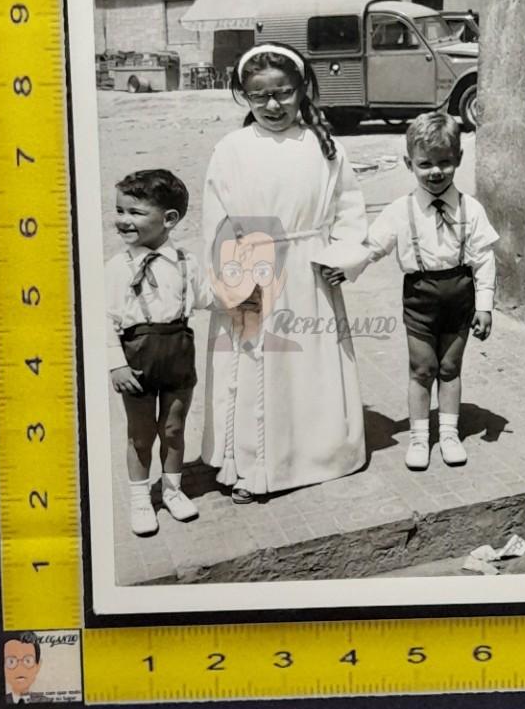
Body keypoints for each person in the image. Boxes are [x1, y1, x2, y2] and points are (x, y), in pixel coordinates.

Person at [201, 42, 368, 503]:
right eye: (260, 96)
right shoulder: (231, 149)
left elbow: (349, 207)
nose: (273, 105)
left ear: (302, 89)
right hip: (253, 271)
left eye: (283, 93)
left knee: (309, 367)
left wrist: (343, 257)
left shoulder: (324, 146)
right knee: (259, 364)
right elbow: (216, 218)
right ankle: (251, 465)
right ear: (244, 96)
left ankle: (319, 456)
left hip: (309, 273)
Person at [339, 113, 498, 470]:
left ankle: (449, 435)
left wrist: (484, 306)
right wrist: (345, 267)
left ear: (458, 158)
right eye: (425, 164)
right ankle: (419, 437)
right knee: (422, 368)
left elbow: (484, 259)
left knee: (450, 367)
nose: (435, 172)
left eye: (444, 162)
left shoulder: (471, 209)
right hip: (420, 296)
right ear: (409, 163)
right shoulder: (401, 210)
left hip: (460, 294)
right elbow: (372, 246)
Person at [105, 169, 212, 535]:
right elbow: (103, 320)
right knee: (140, 434)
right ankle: (140, 499)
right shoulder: (116, 268)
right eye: (120, 211)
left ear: (169, 219)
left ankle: (172, 490)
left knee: (173, 427)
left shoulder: (186, 262)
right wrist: (116, 365)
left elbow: (207, 297)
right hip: (137, 359)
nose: (123, 220)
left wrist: (244, 297)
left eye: (135, 212)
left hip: (179, 353)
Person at [4, 632, 50, 703]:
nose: (20, 669)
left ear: (38, 666)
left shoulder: (48, 701)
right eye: (11, 661)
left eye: (28, 661)